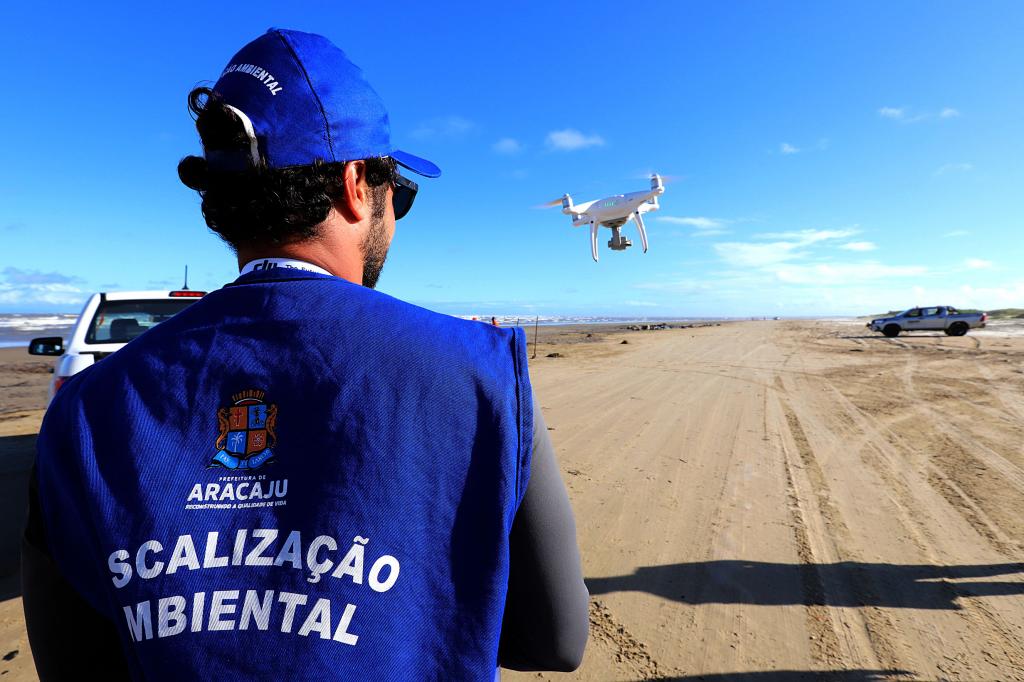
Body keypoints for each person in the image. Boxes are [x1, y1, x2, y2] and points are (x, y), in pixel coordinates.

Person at [23, 28, 588, 680]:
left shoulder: (87, 409)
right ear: (356, 184)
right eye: (399, 195)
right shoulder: (480, 373)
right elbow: (558, 639)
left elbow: (73, 662)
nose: (395, 217)